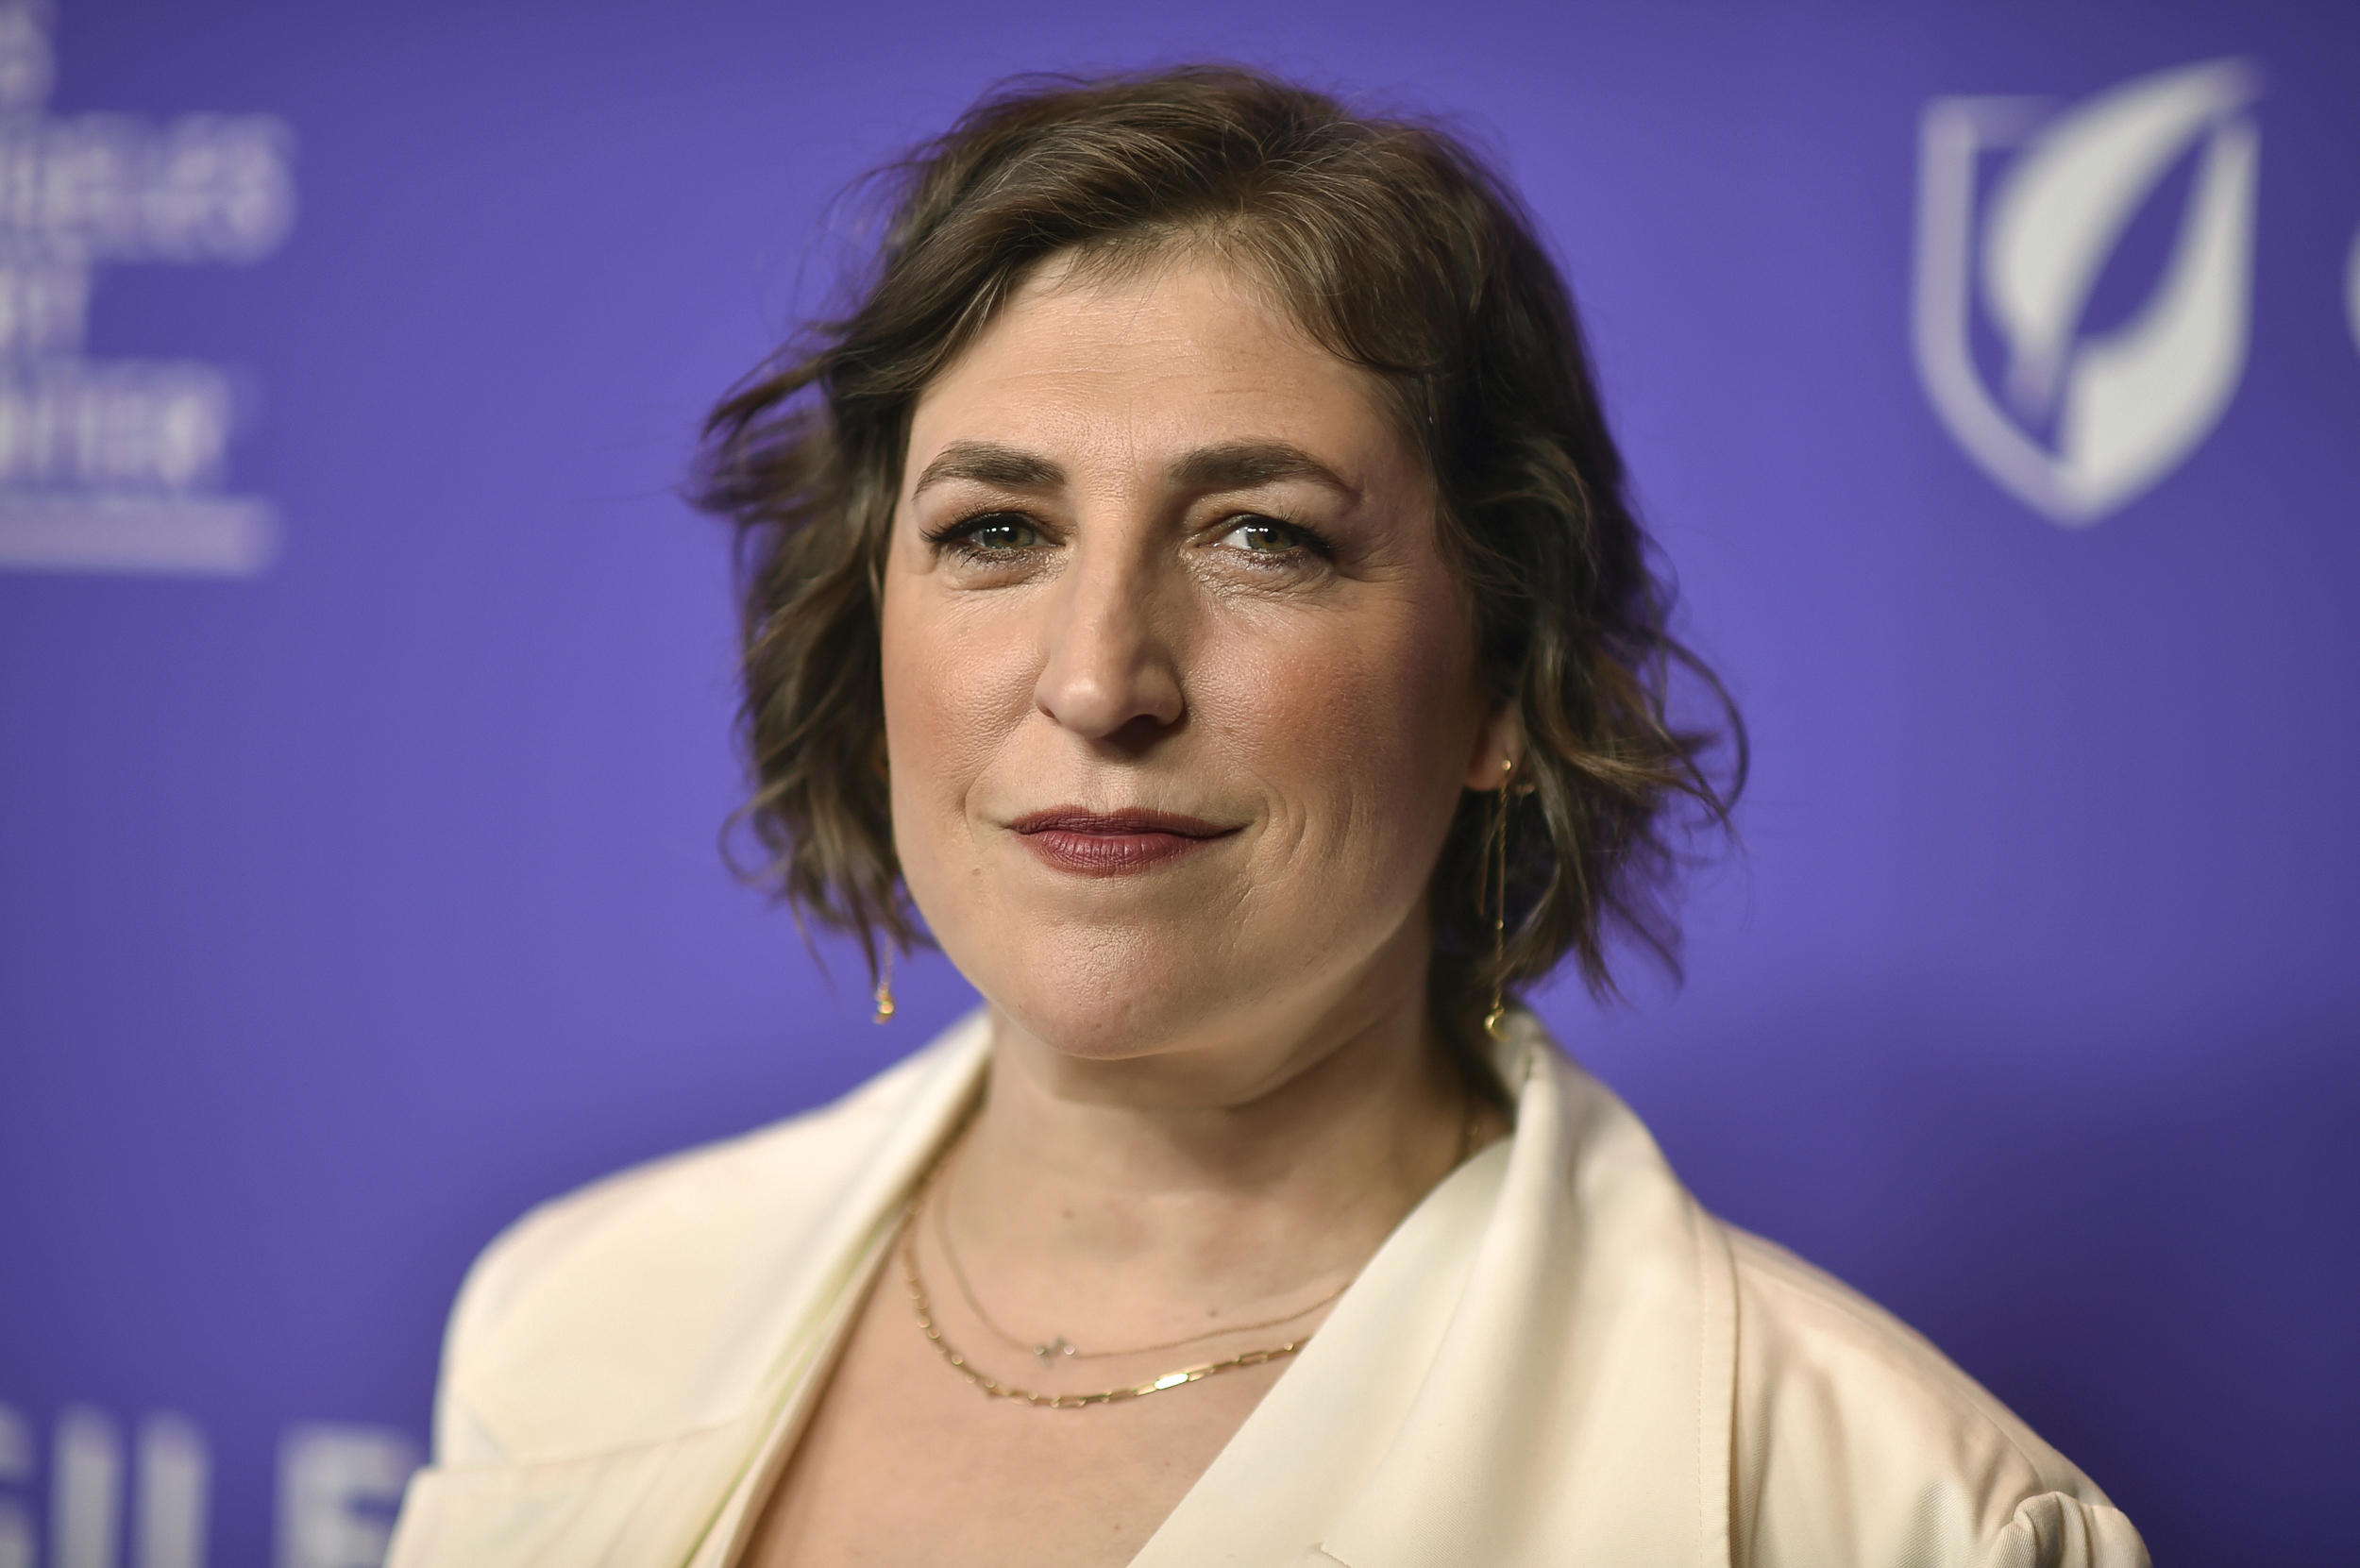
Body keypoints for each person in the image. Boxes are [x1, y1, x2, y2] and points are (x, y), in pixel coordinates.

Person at [385, 67, 2149, 1568]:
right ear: (867, 636)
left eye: (1262, 536)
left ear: (1508, 682)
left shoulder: (1893, 1511)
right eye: (997, 530)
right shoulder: (568, 1323)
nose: (1100, 679)